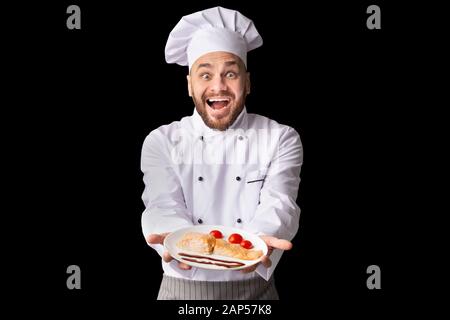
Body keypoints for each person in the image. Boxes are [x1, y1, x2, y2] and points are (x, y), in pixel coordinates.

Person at [141, 6, 303, 300]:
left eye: (231, 73)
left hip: (256, 289)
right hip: (182, 288)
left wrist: (254, 244)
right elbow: (161, 204)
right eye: (205, 75)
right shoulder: (162, 141)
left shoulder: (280, 138)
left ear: (248, 82)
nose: (218, 86)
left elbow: (280, 203)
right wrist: (179, 241)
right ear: (189, 85)